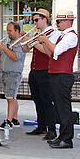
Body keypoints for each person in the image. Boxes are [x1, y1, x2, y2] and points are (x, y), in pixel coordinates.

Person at [38, 10, 79, 149]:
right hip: (56, 74)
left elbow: (56, 50)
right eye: (57, 21)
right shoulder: (63, 36)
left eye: (59, 21)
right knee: (59, 108)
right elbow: (50, 53)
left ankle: (67, 139)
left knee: (63, 108)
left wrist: (45, 40)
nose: (57, 24)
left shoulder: (71, 37)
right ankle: (62, 136)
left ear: (68, 21)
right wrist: (43, 42)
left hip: (63, 76)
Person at [23, 9, 60, 140]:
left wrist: (33, 41)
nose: (35, 23)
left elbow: (47, 51)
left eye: (37, 20)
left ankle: (51, 129)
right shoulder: (38, 33)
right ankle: (41, 125)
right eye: (34, 20)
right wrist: (26, 41)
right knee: (37, 99)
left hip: (45, 71)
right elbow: (25, 49)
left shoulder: (52, 33)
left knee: (46, 100)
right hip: (34, 70)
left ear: (45, 19)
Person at [0, 22, 26, 130]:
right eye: (7, 30)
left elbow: (15, 57)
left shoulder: (19, 43)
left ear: (17, 31)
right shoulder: (7, 41)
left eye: (10, 31)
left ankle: (8, 121)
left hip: (13, 73)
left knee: (10, 97)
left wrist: (4, 48)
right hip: (4, 72)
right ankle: (15, 119)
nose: (8, 33)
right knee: (11, 97)